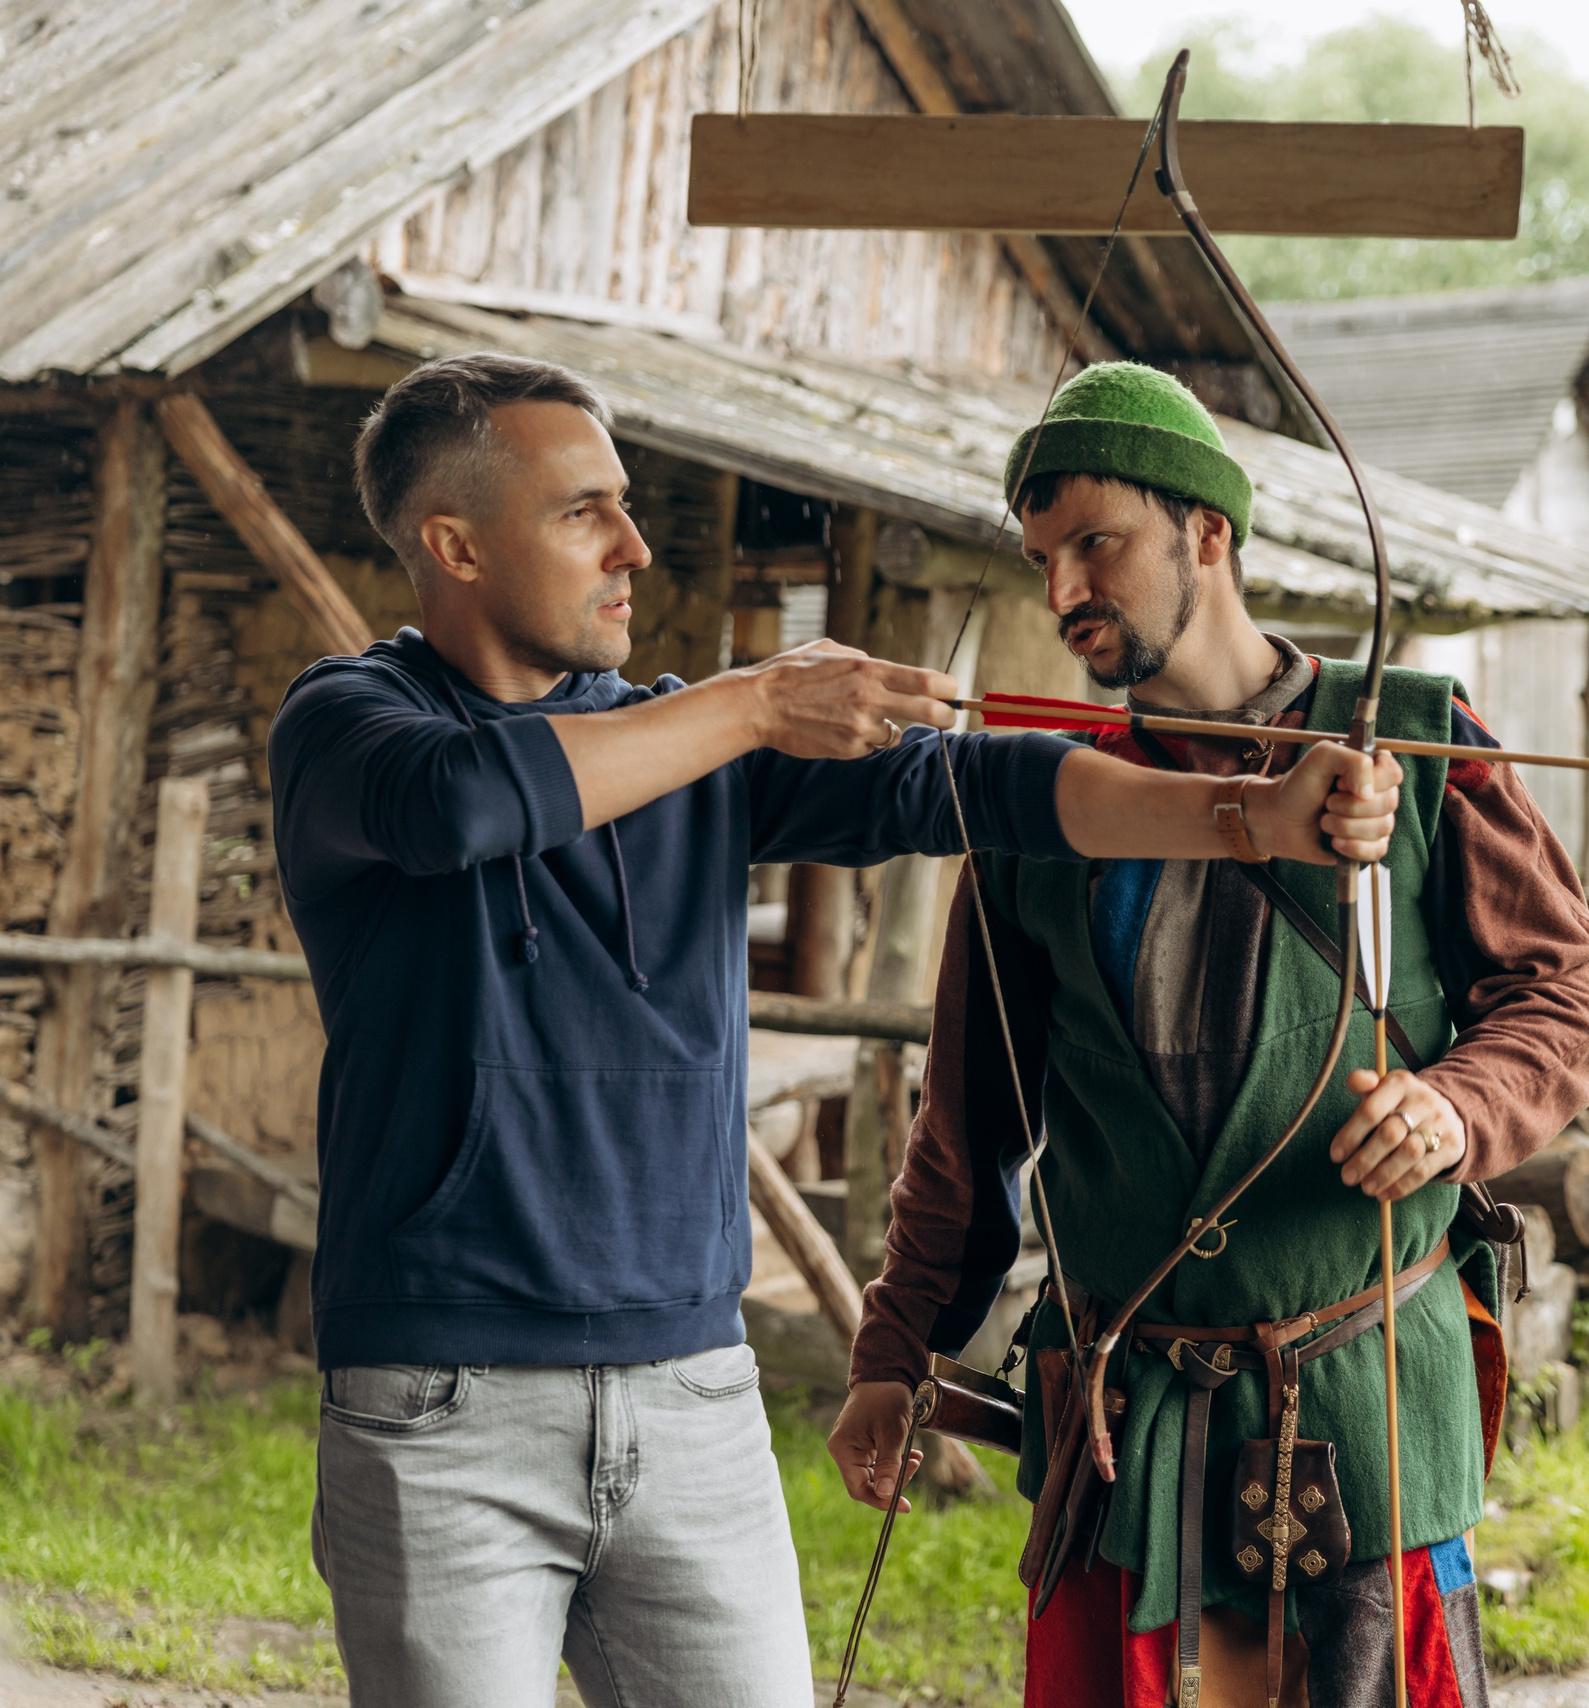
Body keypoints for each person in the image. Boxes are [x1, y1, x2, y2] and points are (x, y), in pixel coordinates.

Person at [268, 352, 1403, 1708]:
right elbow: (462, 803)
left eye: (627, 505)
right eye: (585, 512)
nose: (633, 545)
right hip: (443, 1406)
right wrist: (754, 701)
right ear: (452, 543)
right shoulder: (348, 727)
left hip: (691, 1392)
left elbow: (992, 788)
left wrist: (1250, 820)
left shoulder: (685, 751)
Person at [831, 364, 1589, 1707]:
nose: (1065, 590)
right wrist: (893, 1354)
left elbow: (1564, 984)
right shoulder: (1049, 805)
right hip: (1125, 1420)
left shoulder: (1415, 748)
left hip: (1362, 1393)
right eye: (1041, 559)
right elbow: (969, 1129)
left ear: (1209, 530)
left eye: (1098, 543)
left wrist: (1456, 1108)